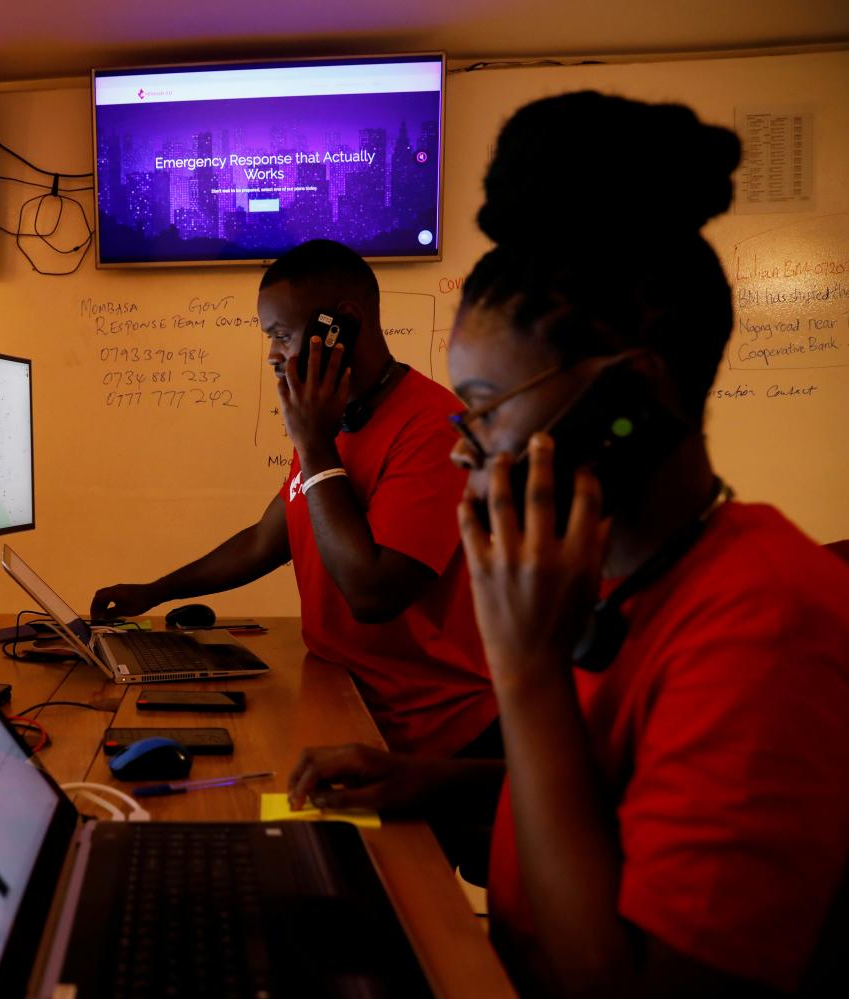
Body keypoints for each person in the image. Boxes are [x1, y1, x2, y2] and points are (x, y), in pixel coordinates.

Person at [289, 92, 849, 996]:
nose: (461, 447)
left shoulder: (762, 630)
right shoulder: (621, 576)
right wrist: (422, 781)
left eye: (483, 408)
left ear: (627, 400)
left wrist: (526, 674)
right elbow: (611, 803)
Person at [92, 239, 497, 762]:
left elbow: (372, 595)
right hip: (345, 695)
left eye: (282, 335)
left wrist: (312, 443)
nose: (273, 355)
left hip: (429, 736)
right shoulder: (335, 420)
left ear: (341, 324)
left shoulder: (433, 431)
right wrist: (155, 591)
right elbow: (266, 540)